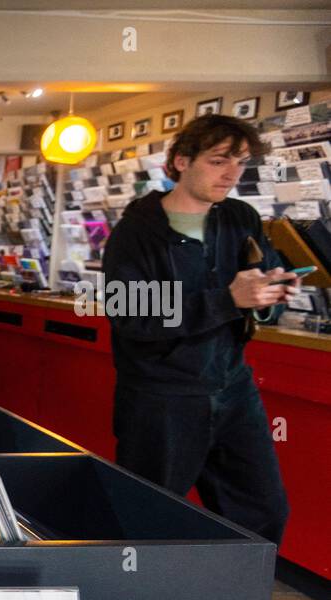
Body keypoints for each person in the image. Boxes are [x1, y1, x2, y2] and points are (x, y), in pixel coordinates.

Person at [101, 114, 295, 544]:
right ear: (181, 161)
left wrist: (270, 293)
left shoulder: (240, 217)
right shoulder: (135, 233)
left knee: (263, 511)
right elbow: (130, 314)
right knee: (148, 516)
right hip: (161, 396)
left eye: (240, 162)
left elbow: (255, 277)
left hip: (232, 386)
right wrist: (227, 300)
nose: (231, 174)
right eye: (219, 160)